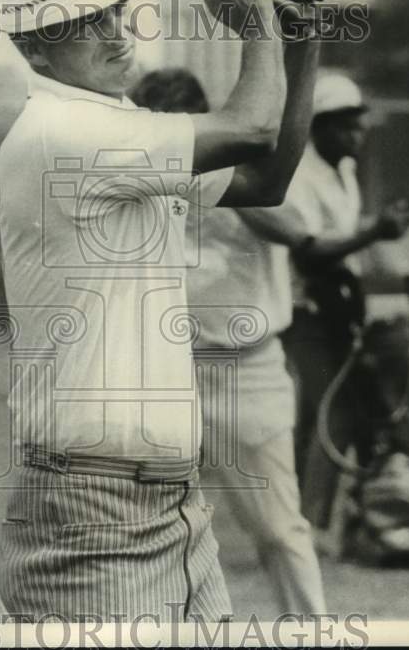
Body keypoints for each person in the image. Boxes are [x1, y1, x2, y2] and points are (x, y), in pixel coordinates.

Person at [0, 0, 320, 621]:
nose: (114, 33)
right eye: (81, 21)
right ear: (29, 45)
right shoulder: (65, 132)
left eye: (112, 9)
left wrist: (302, 39)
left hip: (169, 497)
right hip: (91, 501)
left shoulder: (119, 123)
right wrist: (256, 24)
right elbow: (253, 128)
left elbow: (265, 180)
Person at [131, 69, 325, 616]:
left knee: (279, 528)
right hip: (166, 371)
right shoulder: (139, 175)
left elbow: (298, 232)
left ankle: (309, 629)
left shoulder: (249, 174)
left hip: (248, 369)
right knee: (149, 530)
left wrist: (211, 171)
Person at [234, 73, 409, 534]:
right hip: (305, 307)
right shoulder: (299, 175)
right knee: (336, 412)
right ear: (320, 128)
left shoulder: (345, 171)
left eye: (360, 124)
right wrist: (374, 233)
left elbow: (342, 238)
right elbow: (310, 252)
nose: (358, 134)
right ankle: (309, 524)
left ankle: (306, 519)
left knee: (319, 414)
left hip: (338, 304)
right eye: (346, 125)